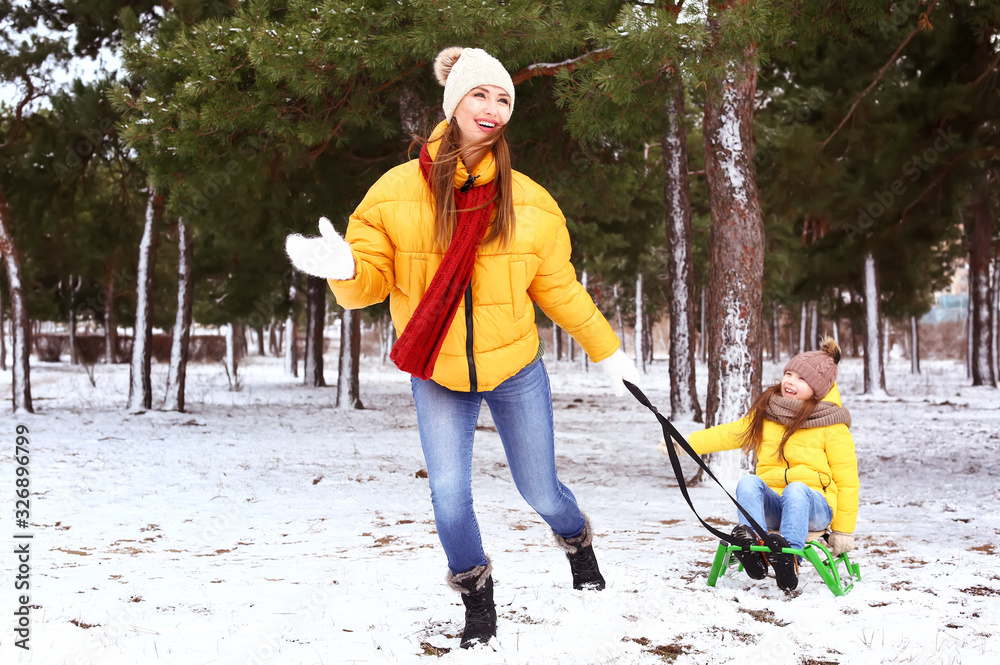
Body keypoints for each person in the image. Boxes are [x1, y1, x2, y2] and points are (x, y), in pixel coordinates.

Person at [285, 46, 639, 648]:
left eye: (504, 99)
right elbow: (371, 280)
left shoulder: (529, 202)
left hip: (515, 367)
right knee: (448, 497)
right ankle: (477, 600)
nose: (494, 108)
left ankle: (577, 542)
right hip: (437, 370)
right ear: (454, 103)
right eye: (481, 94)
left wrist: (609, 353)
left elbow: (559, 292)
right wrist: (345, 268)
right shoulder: (394, 193)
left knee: (540, 490)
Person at [678, 337, 858, 592]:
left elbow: (847, 480)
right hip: (777, 504)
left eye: (801, 379)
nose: (790, 381)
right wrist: (686, 444)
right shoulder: (769, 413)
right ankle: (752, 550)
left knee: (797, 489)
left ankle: (789, 559)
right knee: (749, 481)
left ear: (818, 389)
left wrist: (843, 531)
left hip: (815, 507)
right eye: (788, 373)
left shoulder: (831, 424)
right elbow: (730, 434)